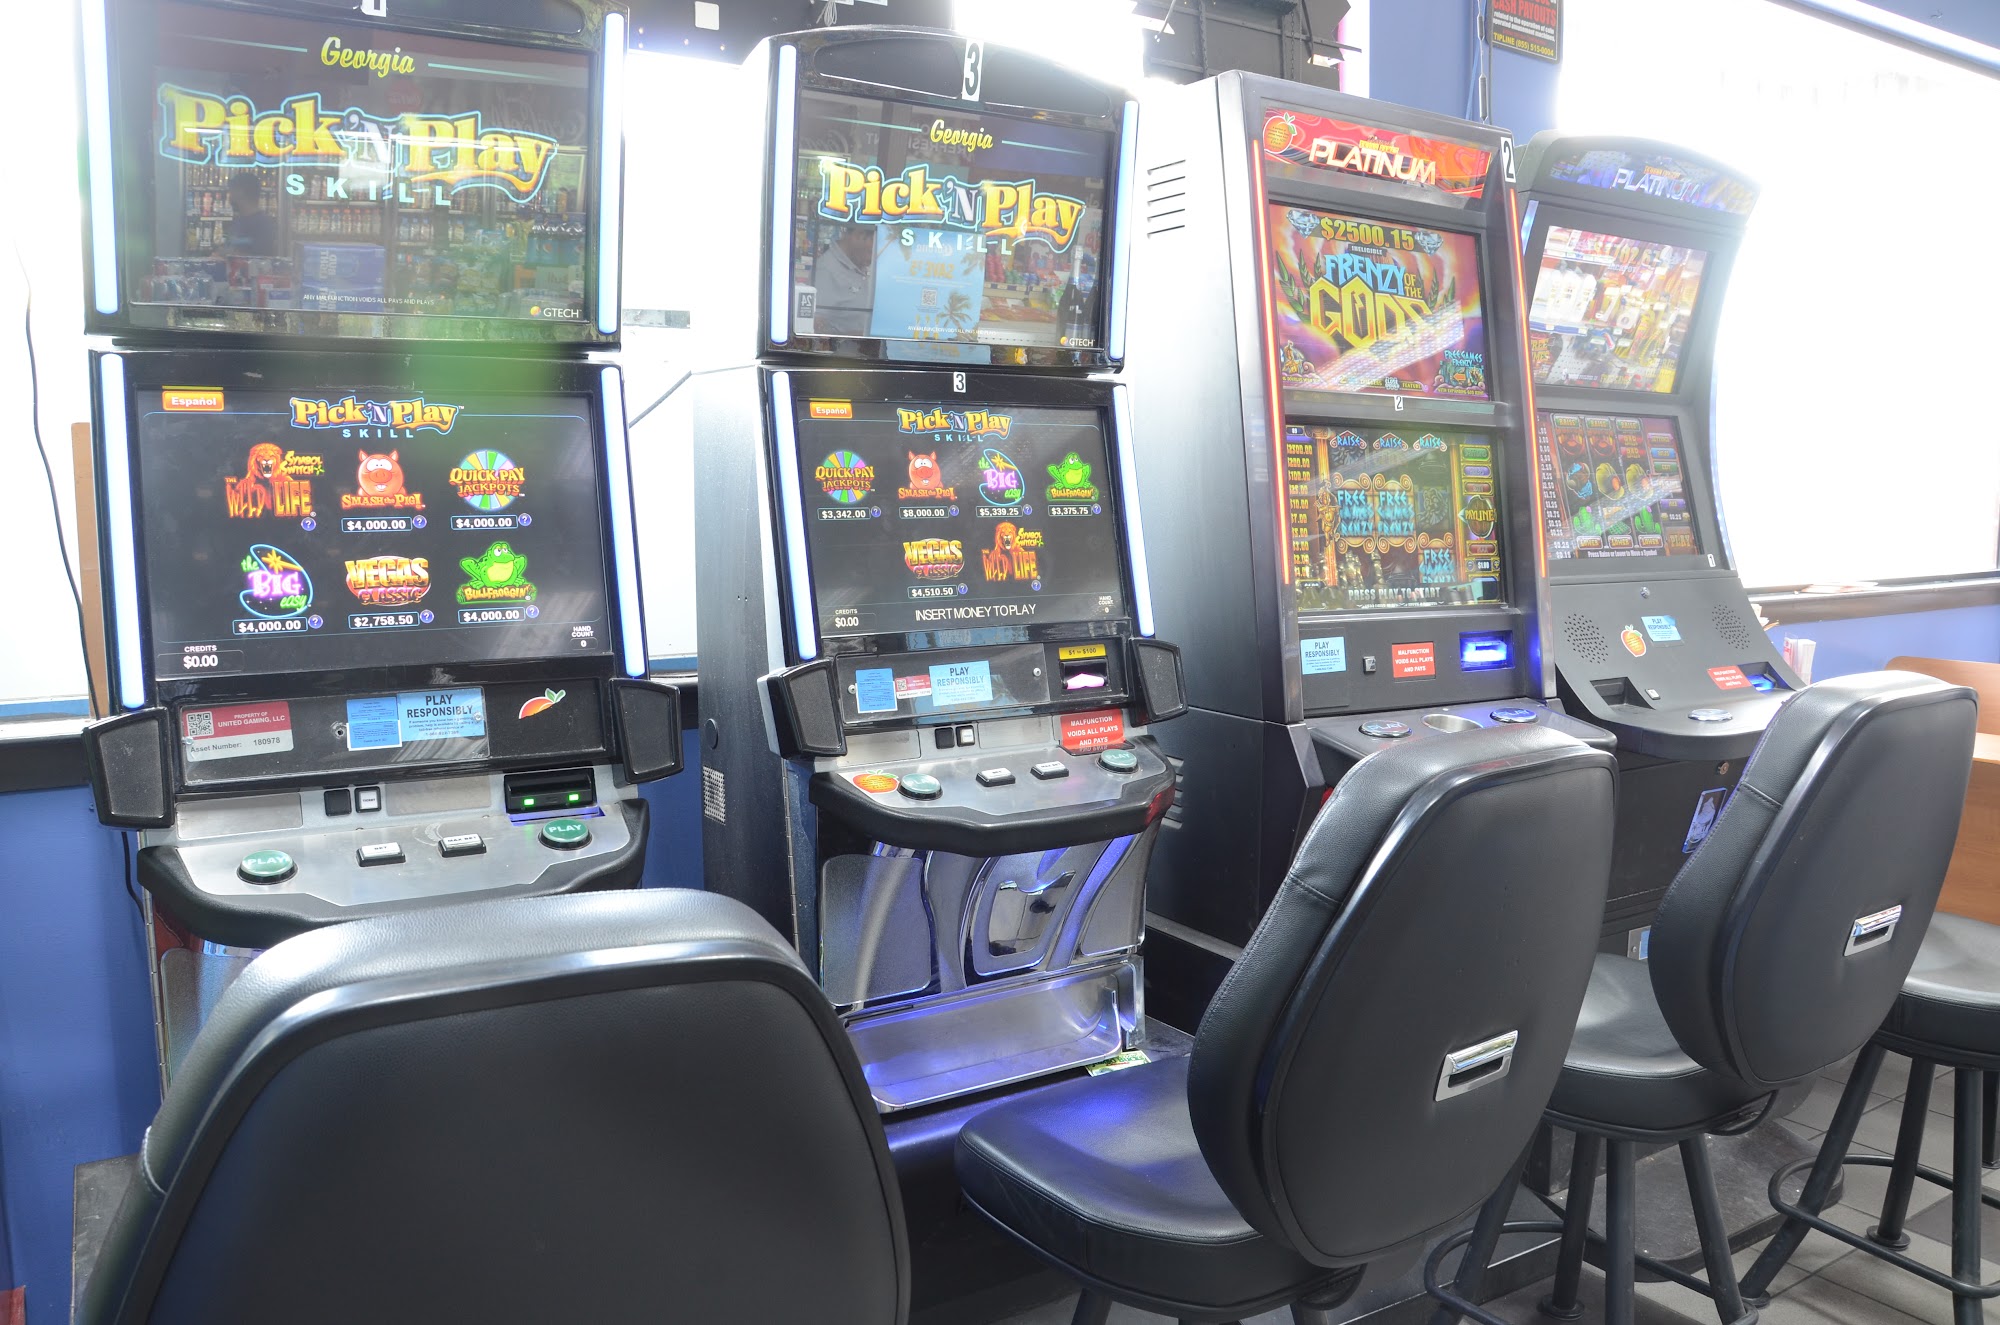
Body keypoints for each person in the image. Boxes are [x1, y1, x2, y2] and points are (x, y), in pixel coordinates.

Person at [813, 224, 875, 335]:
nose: (872, 259)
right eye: (871, 252)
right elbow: (816, 328)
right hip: (846, 345)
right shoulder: (826, 270)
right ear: (859, 235)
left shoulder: (857, 264)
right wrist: (861, 336)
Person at [227, 174, 278, 256]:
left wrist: (227, 255)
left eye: (231, 191)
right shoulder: (239, 220)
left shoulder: (262, 224)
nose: (229, 197)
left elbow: (261, 258)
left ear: (240, 192)